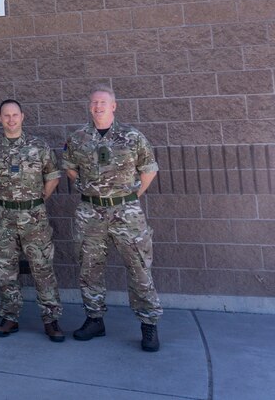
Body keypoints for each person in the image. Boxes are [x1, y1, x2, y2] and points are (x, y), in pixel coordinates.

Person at [64, 87, 163, 352]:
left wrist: (130, 196)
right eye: (94, 103)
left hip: (126, 214)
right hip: (90, 214)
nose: (98, 107)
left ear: (114, 106)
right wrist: (88, 188)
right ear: (89, 106)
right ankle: (94, 320)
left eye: (103, 103)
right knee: (89, 268)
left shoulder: (132, 136)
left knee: (139, 268)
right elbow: (70, 168)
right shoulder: (78, 138)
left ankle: (149, 325)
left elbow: (149, 170)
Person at [0, 99, 64, 342]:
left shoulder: (39, 146)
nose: (10, 119)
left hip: (35, 218)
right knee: (6, 270)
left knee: (42, 269)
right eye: (6, 115)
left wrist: (35, 201)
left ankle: (51, 319)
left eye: (15, 115)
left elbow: (52, 177)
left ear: (23, 116)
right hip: (5, 218)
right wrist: (9, 201)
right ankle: (9, 316)